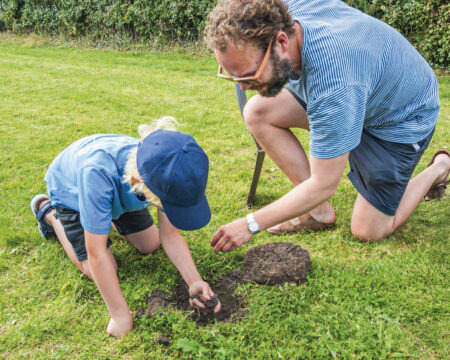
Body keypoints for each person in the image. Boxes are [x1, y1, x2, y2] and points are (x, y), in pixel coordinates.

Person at [205, 0, 449, 252]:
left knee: (368, 230)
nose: (243, 86)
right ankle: (317, 212)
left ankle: (439, 169)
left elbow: (324, 183)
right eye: (235, 76)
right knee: (258, 111)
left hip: (400, 118)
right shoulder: (281, 13)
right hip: (361, 92)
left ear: (281, 42)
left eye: (250, 74)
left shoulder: (333, 84)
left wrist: (251, 224)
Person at [30, 118, 221, 337]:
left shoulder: (164, 171)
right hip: (72, 195)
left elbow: (169, 235)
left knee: (150, 244)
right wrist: (120, 316)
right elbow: (96, 253)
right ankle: (49, 214)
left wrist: (194, 279)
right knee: (100, 268)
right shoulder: (96, 175)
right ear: (140, 180)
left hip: (121, 192)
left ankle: (102, 216)